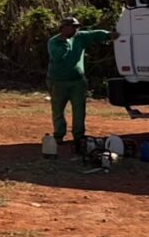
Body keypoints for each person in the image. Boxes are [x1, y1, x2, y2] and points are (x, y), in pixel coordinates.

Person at [45, 16, 113, 151]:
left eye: (77, 27)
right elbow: (58, 56)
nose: (76, 29)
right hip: (58, 82)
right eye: (73, 27)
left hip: (77, 81)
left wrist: (109, 35)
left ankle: (79, 136)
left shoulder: (80, 37)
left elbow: (95, 34)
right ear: (63, 28)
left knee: (79, 110)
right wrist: (65, 43)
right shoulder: (54, 42)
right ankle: (59, 135)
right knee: (58, 110)